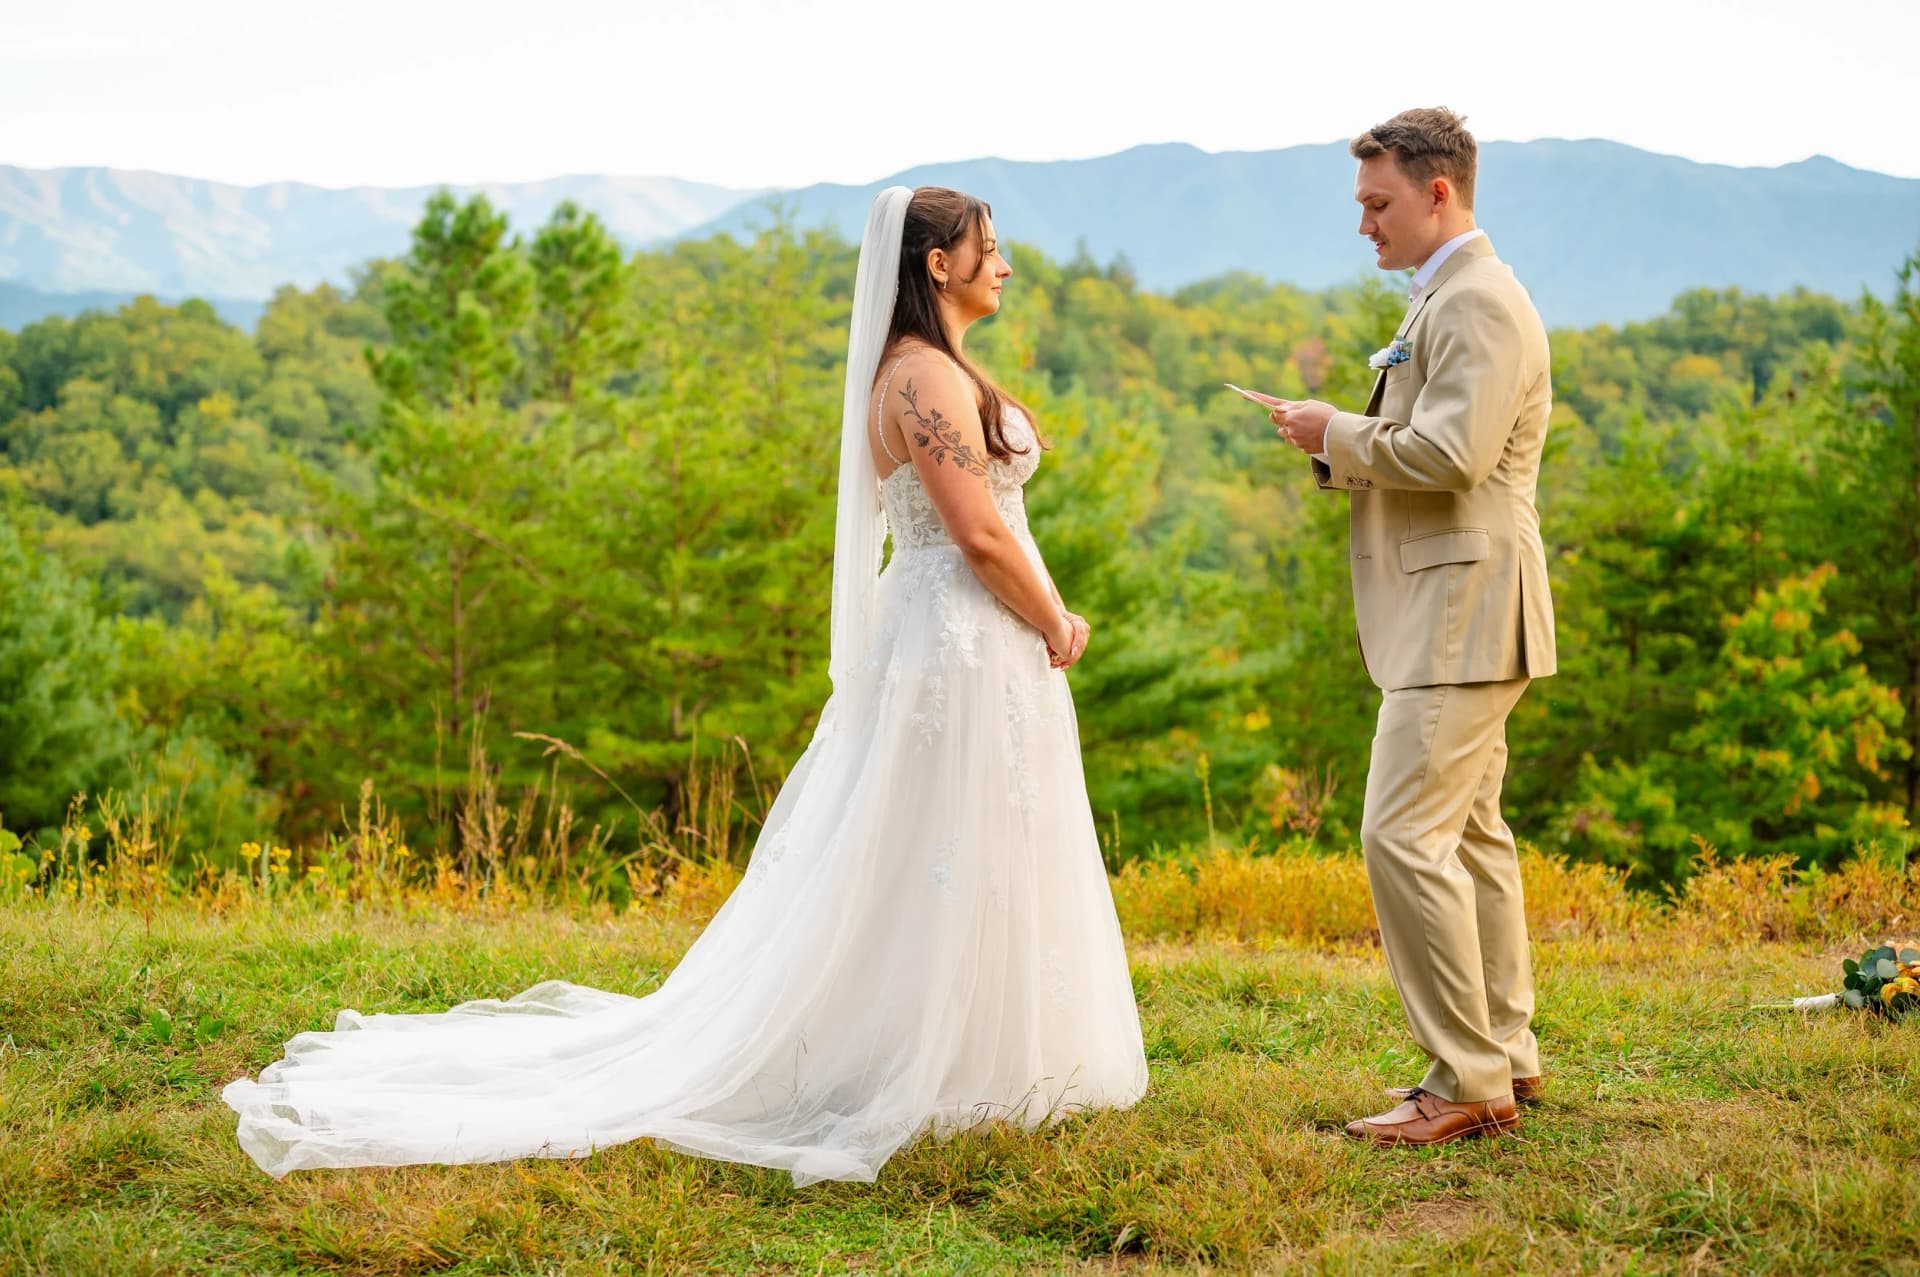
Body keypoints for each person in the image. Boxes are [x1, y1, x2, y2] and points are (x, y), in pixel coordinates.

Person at [222, 185, 1149, 1185]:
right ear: (937, 265)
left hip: (966, 636)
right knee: (942, 842)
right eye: (990, 249)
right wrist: (1054, 619)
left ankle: (985, 1050)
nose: (1004, 265)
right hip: (960, 640)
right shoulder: (921, 377)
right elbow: (975, 533)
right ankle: (918, 1058)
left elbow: (994, 528)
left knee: (963, 841)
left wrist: (1048, 613)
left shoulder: (930, 369)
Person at [1267, 108, 1557, 1147]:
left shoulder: (1476, 300)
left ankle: (1463, 1079)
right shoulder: (1453, 293)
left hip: (1463, 614)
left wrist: (1332, 430)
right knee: (1472, 835)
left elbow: (1452, 454)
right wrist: (1333, 438)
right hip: (1463, 609)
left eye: (1377, 203)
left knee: (1401, 833)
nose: (1364, 225)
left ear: (1440, 193)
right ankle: (1505, 1057)